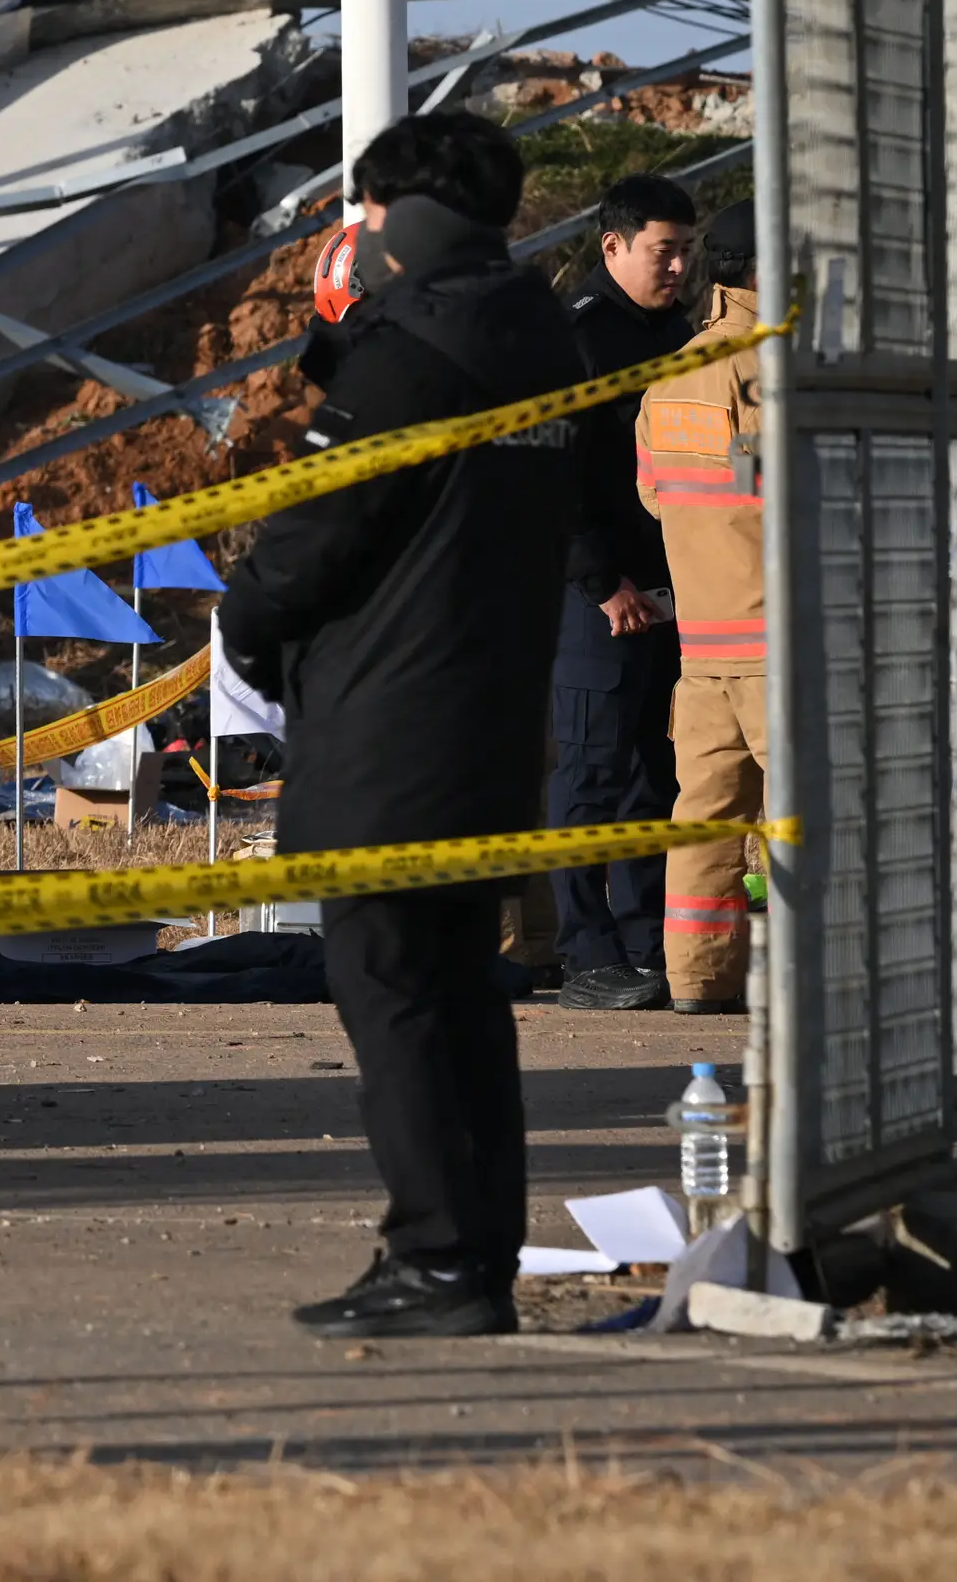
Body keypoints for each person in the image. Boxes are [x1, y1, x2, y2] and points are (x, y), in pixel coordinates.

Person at [217, 111, 583, 1340]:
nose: (361, 235)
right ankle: (474, 1252)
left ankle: (437, 1255)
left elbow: (314, 539)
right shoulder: (544, 336)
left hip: (390, 715)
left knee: (392, 989)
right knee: (463, 995)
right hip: (492, 710)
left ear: (400, 212)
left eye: (368, 211)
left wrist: (250, 621)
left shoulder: (412, 349)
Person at [550, 174, 699, 1011]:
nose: (677, 266)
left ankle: (646, 941)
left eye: (686, 251)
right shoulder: (578, 339)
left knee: (654, 772)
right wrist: (603, 585)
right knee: (588, 774)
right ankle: (585, 954)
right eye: (662, 251)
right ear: (614, 247)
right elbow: (556, 476)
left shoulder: (677, 334)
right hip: (597, 600)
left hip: (671, 589)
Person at [637, 201, 766, 1017]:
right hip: (780, 639)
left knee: (705, 820)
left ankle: (697, 979)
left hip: (704, 646)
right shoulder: (768, 368)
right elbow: (784, 490)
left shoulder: (671, 372)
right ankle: (820, 983)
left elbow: (656, 495)